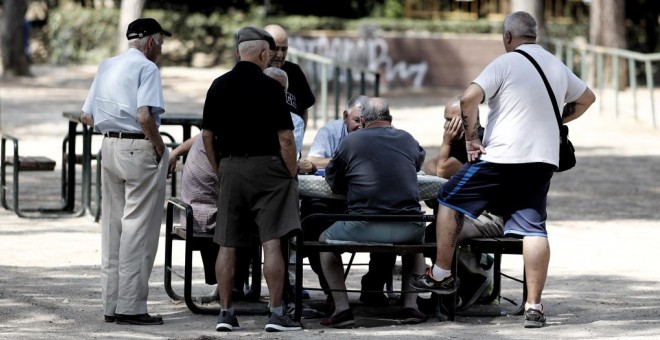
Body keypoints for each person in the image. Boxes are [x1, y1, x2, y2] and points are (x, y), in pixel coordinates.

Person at [410, 11, 596, 328]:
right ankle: (534, 307)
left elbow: (468, 99)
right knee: (534, 228)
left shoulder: (505, 62)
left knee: (448, 199)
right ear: (534, 35)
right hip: (542, 159)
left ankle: (440, 274)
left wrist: (470, 140)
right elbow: (587, 99)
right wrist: (555, 121)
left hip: (502, 157)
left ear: (508, 37)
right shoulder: (555, 64)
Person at [201, 26, 302, 332]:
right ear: (263, 54)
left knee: (227, 243)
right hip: (268, 170)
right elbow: (286, 138)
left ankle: (226, 313)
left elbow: (206, 135)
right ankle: (275, 313)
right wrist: (291, 171)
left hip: (231, 167)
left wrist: (220, 167)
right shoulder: (272, 88)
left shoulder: (217, 85)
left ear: (237, 53)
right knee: (272, 242)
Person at [80, 18, 172, 325]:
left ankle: (111, 304)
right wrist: (159, 146)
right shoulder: (147, 68)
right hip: (138, 147)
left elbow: (86, 115)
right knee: (138, 229)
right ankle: (131, 307)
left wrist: (113, 125)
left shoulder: (107, 65)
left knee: (113, 227)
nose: (160, 49)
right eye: (159, 42)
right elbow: (144, 115)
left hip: (109, 147)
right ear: (148, 43)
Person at [319, 97, 428, 327]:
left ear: (364, 120)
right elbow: (417, 164)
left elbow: (333, 180)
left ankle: (342, 310)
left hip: (365, 225)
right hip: (409, 227)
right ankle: (411, 306)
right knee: (416, 247)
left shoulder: (351, 141)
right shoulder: (407, 138)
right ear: (390, 118)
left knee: (323, 243)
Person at [422, 96, 505, 310]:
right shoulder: (461, 143)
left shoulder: (481, 143)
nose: (446, 125)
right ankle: (448, 291)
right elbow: (431, 165)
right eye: (445, 119)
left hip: (491, 217)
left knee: (436, 233)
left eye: (451, 120)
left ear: (467, 119)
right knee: (432, 232)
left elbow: (440, 170)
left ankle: (472, 281)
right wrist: (446, 153)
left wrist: (446, 143)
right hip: (470, 215)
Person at [264, 24, 316, 129]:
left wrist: (299, 139)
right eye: (275, 48)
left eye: (284, 49)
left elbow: (303, 110)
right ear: (263, 47)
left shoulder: (294, 72)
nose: (280, 55)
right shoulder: (252, 72)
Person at [263, 66, 306, 155]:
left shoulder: (296, 121)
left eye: (281, 89)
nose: (277, 91)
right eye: (272, 86)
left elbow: (292, 155)